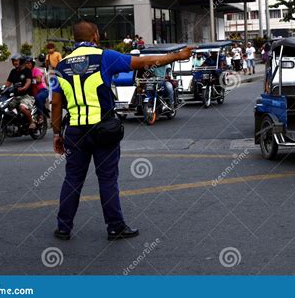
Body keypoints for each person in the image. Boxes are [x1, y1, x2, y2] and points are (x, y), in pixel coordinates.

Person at [51, 19, 193, 241]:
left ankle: (63, 228)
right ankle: (115, 227)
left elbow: (56, 104)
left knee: (72, 179)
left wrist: (57, 134)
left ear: (75, 39)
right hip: (103, 130)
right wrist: (175, 56)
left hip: (75, 133)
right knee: (107, 179)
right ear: (95, 36)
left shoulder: (60, 66)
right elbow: (143, 61)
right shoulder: (105, 56)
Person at [4, 53, 36, 130]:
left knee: (22, 107)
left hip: (27, 96)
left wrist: (24, 88)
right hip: (16, 96)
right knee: (6, 107)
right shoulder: (13, 71)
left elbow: (28, 82)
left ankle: (32, 122)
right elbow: (8, 83)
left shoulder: (27, 71)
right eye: (13, 61)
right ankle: (14, 122)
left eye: (16, 61)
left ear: (21, 61)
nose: (15, 62)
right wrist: (0, 89)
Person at [26, 56, 49, 123]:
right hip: (32, 91)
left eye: (29, 63)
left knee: (38, 98)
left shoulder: (36, 70)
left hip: (42, 90)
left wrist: (29, 81)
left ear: (32, 64)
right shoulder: (25, 72)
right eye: (26, 63)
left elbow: (38, 80)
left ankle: (41, 115)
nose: (27, 64)